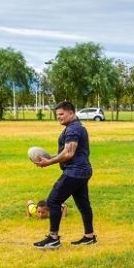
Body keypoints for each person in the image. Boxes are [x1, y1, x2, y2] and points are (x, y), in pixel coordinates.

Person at [32, 101, 95, 249]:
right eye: (57, 115)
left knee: (53, 201)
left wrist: (49, 162)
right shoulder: (76, 127)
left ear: (71, 113)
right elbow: (67, 153)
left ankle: (53, 239)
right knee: (83, 205)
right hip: (82, 171)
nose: (58, 117)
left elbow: (68, 153)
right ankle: (89, 237)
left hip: (75, 171)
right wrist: (50, 158)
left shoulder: (73, 130)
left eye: (61, 114)